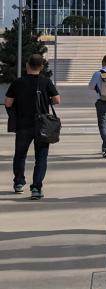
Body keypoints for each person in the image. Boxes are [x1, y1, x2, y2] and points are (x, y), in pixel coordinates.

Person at [5, 53, 60, 200]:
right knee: (41, 157)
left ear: (27, 65)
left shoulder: (18, 82)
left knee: (20, 155)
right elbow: (57, 100)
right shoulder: (46, 82)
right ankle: (36, 188)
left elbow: (8, 103)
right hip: (42, 125)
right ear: (41, 67)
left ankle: (18, 183)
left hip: (23, 125)